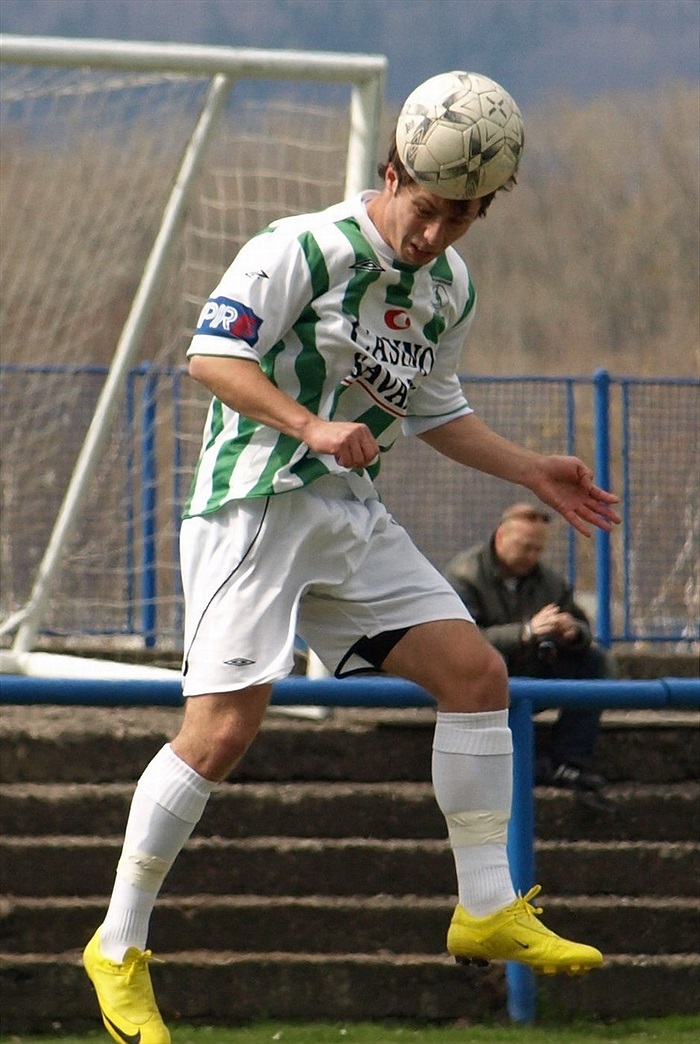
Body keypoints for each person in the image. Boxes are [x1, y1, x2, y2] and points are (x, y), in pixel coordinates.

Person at [83, 96, 620, 1043]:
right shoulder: (300, 245)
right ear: (391, 175)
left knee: (478, 676)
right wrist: (312, 426)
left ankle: (486, 906)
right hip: (254, 503)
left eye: (461, 217)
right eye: (427, 208)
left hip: (349, 514)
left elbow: (435, 409)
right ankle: (117, 946)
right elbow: (212, 358)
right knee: (221, 733)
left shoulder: (451, 287)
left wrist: (532, 468)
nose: (435, 233)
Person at [444, 503, 616, 800]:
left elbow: (583, 627)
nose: (532, 557)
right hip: (475, 677)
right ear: (500, 537)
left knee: (595, 663)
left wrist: (572, 631)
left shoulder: (549, 581)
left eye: (538, 549)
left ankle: (568, 761)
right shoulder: (463, 577)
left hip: (530, 666)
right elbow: (461, 641)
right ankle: (508, 763)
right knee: (483, 664)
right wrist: (526, 632)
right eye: (525, 547)